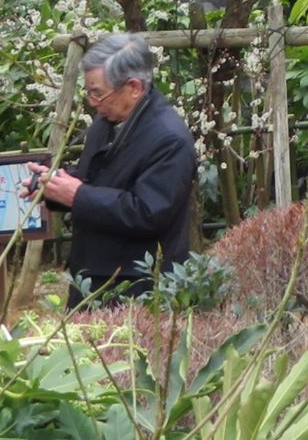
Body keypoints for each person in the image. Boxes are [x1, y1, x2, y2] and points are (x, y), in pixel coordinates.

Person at [38, 34, 197, 303]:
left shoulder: (169, 139)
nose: (92, 101)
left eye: (98, 92)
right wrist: (52, 185)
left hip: (136, 287)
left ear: (133, 87)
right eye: (89, 91)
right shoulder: (107, 122)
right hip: (92, 275)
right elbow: (97, 180)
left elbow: (148, 213)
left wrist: (77, 195)